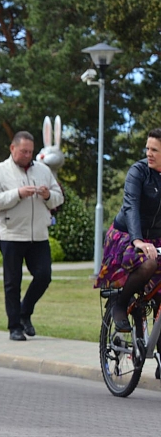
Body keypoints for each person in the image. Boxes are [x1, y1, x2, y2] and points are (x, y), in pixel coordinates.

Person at [0, 131, 63, 341]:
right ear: (12, 148)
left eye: (31, 151)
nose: (28, 155)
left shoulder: (44, 170)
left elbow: (58, 198)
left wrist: (48, 195)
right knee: (13, 283)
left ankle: (24, 312)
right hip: (11, 235)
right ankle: (15, 327)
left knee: (44, 276)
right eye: (24, 151)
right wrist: (18, 194)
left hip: (39, 235)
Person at [95, 129, 161, 331]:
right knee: (149, 264)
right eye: (147, 148)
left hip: (156, 236)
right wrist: (138, 240)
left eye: (155, 150)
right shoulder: (138, 172)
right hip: (127, 234)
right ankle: (120, 304)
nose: (148, 153)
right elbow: (131, 205)